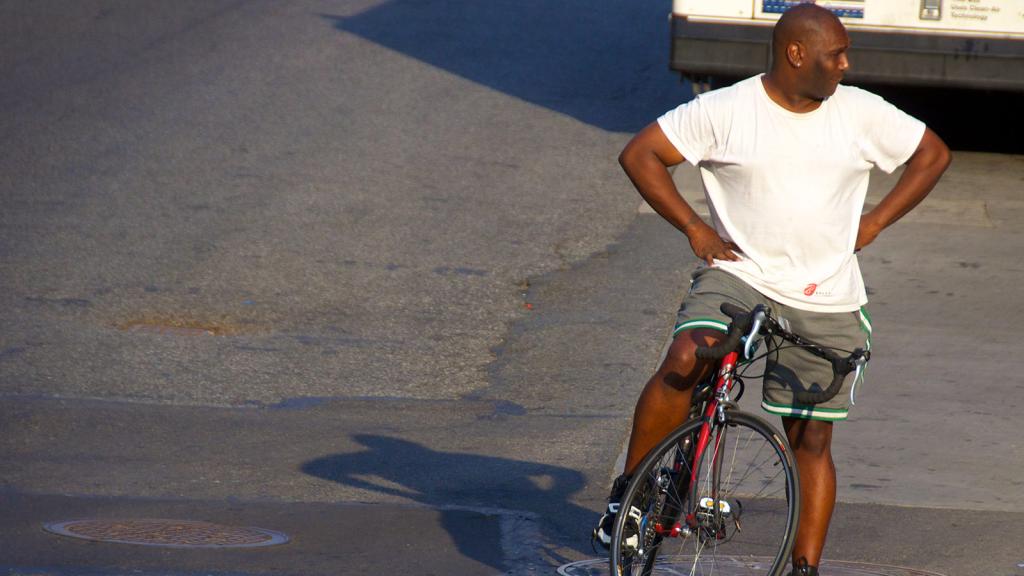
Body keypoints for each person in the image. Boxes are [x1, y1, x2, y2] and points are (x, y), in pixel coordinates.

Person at [592, 4, 951, 575]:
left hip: (827, 295)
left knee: (810, 443)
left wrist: (875, 223)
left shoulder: (859, 112)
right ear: (796, 54)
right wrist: (694, 227)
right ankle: (629, 503)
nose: (845, 64)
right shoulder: (728, 108)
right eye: (836, 54)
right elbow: (641, 154)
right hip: (741, 274)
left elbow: (932, 154)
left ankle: (804, 568)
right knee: (686, 358)